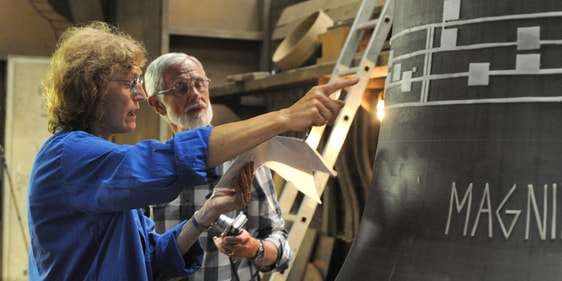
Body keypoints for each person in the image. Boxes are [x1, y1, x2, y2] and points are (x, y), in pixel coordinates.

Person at [27, 21, 358, 281]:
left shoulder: (102, 163)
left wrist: (207, 214)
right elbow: (168, 160)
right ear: (92, 88)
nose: (139, 95)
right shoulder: (68, 157)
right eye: (130, 82)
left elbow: (151, 258)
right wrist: (285, 116)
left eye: (201, 84)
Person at [144, 53, 292, 280]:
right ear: (157, 105)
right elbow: (140, 251)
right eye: (181, 87)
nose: (195, 94)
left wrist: (254, 248)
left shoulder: (244, 156)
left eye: (199, 84)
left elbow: (279, 242)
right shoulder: (149, 168)